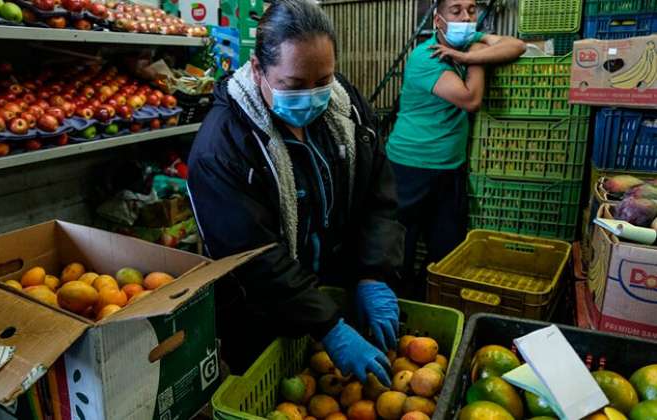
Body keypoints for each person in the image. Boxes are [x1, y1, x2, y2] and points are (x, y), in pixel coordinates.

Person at [187, 0, 405, 385]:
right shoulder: (223, 148)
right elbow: (253, 257)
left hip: (337, 296)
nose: (313, 96)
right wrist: (328, 326)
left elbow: (376, 196)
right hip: (263, 316)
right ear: (258, 70)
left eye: (323, 81)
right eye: (294, 85)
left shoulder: (346, 110)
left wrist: (374, 272)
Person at [386, 0, 525, 298]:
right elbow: (469, 98)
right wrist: (475, 57)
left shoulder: (467, 42)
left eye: (471, 10)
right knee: (401, 248)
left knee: (447, 248)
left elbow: (516, 45)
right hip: (411, 165)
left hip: (450, 167)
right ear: (438, 21)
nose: (466, 17)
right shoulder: (427, 56)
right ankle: (398, 306)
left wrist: (466, 52)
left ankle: (432, 303)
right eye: (456, 11)